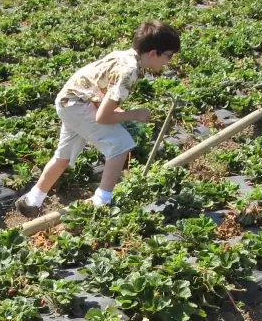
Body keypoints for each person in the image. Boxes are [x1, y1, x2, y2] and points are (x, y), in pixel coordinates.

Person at [16, 20, 181, 217]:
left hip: (68, 101)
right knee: (120, 145)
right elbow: (103, 117)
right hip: (78, 105)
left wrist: (120, 114)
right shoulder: (130, 72)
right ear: (154, 53)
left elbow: (102, 94)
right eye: (169, 56)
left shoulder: (123, 56)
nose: (168, 62)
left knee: (64, 157)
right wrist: (136, 114)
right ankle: (102, 203)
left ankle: (31, 201)